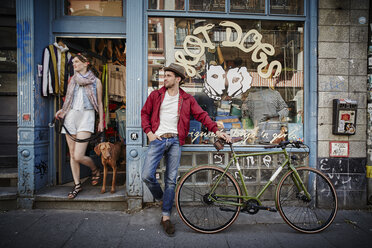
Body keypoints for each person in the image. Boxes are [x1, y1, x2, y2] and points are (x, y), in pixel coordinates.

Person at [141, 63, 231, 236]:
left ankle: (166, 217)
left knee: (171, 181)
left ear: (178, 79)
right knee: (146, 175)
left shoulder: (187, 99)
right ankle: (163, 199)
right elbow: (144, 113)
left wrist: (217, 131)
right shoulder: (156, 95)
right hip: (158, 139)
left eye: (168, 75)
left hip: (175, 141)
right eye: (164, 75)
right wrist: (149, 133)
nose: (164, 78)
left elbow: (202, 116)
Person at [55, 53, 104, 199]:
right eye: (73, 62)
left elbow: (100, 103)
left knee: (78, 155)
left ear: (86, 63)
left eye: (77, 62)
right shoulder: (72, 80)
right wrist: (62, 111)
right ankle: (77, 185)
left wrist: (101, 120)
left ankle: (95, 169)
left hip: (86, 117)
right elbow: (68, 99)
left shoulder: (96, 81)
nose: (74, 64)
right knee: (72, 153)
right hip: (71, 116)